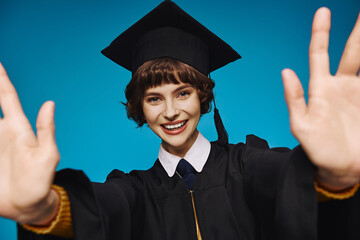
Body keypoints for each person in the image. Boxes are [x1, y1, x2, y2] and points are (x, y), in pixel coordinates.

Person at [0, 0, 360, 239]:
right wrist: (45, 208)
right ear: (139, 107)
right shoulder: (135, 191)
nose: (170, 112)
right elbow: (101, 207)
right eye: (154, 98)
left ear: (202, 95)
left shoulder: (248, 164)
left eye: (183, 93)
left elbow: (284, 179)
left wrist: (335, 176)